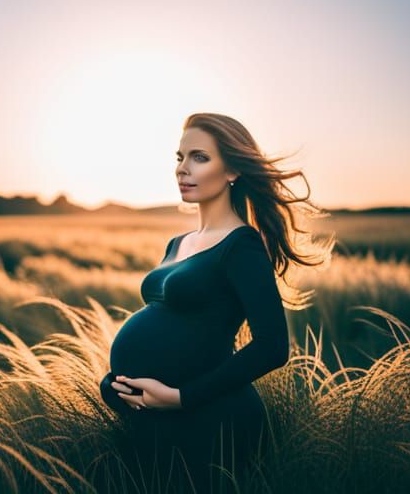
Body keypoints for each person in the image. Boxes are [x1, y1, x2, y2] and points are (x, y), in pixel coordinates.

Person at [99, 112, 334, 493]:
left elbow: (273, 347)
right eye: (179, 158)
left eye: (199, 157)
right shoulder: (177, 244)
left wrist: (180, 397)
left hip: (211, 423)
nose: (182, 169)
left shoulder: (242, 246)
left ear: (232, 171)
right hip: (164, 425)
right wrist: (116, 385)